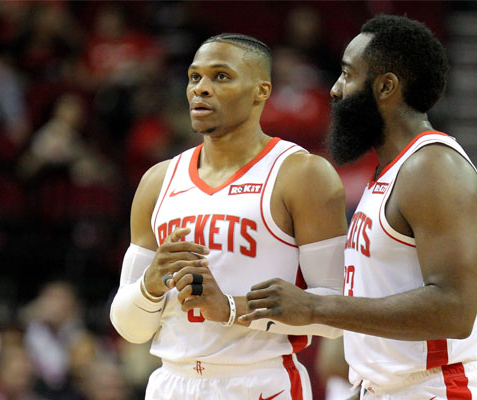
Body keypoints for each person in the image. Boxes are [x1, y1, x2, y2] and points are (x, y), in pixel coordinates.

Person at [241, 15, 477, 399]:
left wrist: (318, 307)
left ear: (386, 86)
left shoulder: (432, 167)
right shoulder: (391, 170)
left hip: (446, 387)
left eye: (347, 75)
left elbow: (456, 309)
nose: (335, 89)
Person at [109, 33, 348, 399]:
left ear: (261, 91)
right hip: (171, 382)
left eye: (221, 76)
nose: (201, 89)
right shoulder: (158, 181)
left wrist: (233, 308)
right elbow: (131, 328)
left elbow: (335, 312)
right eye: (194, 77)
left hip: (258, 381)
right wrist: (149, 286)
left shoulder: (302, 174)